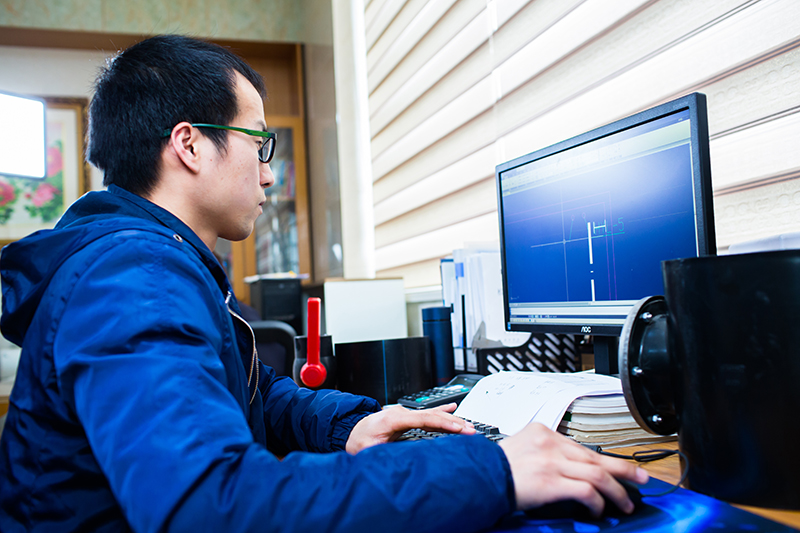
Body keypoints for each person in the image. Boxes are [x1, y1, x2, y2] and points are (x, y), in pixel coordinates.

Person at [0, 35, 647, 532]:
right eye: (258, 143)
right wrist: (493, 470)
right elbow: (212, 508)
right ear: (190, 146)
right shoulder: (131, 280)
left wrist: (349, 427)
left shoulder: (147, 260)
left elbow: (250, 397)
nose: (267, 174)